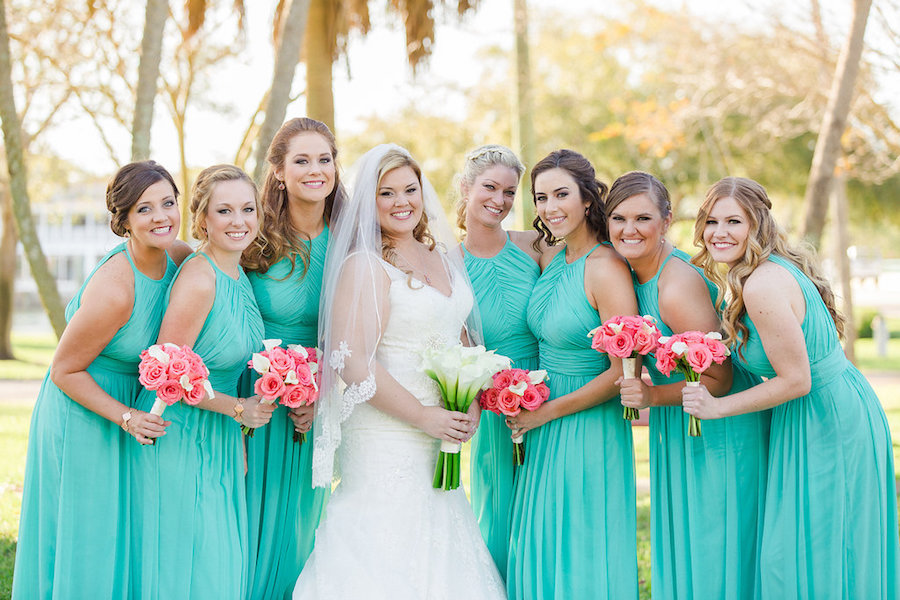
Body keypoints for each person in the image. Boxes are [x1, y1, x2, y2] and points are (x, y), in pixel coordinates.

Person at [293, 144, 505, 599]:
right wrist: (423, 416)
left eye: (410, 189)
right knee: (383, 544)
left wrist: (465, 400)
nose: (401, 201)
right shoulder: (365, 266)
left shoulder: (444, 258)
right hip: (387, 433)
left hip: (440, 428)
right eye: (385, 193)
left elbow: (460, 337)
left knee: (438, 535)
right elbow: (352, 361)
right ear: (367, 203)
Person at [683, 176, 900, 600]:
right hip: (817, 413)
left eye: (734, 221)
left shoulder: (763, 282)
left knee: (813, 552)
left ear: (757, 225)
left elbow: (796, 380)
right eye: (711, 221)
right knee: (809, 549)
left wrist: (715, 408)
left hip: (827, 421)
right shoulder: (764, 272)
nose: (719, 232)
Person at [12, 161, 189, 599]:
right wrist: (127, 416)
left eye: (168, 203)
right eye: (144, 209)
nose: (161, 216)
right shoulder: (115, 287)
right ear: (124, 220)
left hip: (127, 405)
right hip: (84, 408)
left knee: (123, 530)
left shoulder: (180, 257)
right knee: (86, 534)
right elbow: (63, 369)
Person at [607, 171, 769, 599]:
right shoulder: (632, 273)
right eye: (618, 218)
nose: (629, 229)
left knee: (715, 546)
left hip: (719, 428)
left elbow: (721, 376)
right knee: (690, 543)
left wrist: (652, 395)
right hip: (682, 423)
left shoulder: (675, 285)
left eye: (643, 218)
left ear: (667, 220)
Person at [129, 164, 271, 600]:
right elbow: (169, 375)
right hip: (181, 438)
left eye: (248, 209)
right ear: (203, 218)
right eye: (224, 210)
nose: (239, 221)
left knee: (219, 567)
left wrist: (240, 433)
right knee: (192, 569)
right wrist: (237, 409)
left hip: (222, 440)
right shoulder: (200, 277)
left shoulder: (238, 274)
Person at [505, 149, 639, 600]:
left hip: (584, 425)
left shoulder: (605, 268)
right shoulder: (551, 255)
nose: (550, 207)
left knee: (580, 543)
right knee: (540, 541)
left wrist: (546, 413)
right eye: (541, 197)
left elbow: (624, 372)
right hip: (539, 420)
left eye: (561, 194)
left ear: (588, 198)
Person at [241, 117, 345, 600]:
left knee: (304, 526)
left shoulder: (353, 237)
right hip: (254, 403)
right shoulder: (254, 236)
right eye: (301, 160)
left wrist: (321, 386)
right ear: (278, 171)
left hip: (324, 399)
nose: (316, 170)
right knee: (251, 525)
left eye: (324, 159)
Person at [456, 144, 540, 579]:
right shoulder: (448, 263)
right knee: (499, 505)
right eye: (490, 187)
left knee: (543, 507)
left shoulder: (535, 247)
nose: (500, 200)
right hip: (490, 400)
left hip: (548, 391)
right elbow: (456, 342)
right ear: (467, 188)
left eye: (510, 192)